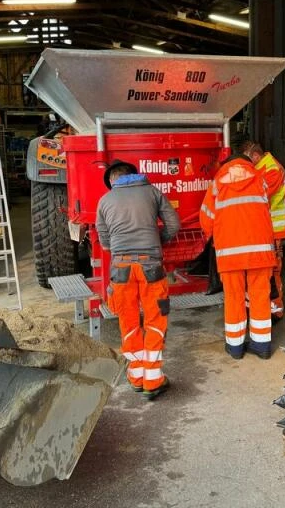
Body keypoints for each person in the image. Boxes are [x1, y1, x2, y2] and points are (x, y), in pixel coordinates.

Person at [96, 159, 181, 400]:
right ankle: (153, 380)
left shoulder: (105, 200)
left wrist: (122, 249)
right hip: (151, 264)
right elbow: (174, 225)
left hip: (121, 269)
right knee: (155, 318)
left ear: (113, 180)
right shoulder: (152, 192)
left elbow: (104, 242)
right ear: (132, 175)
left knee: (128, 321)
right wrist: (156, 241)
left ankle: (136, 377)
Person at [200, 154, 276, 360]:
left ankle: (235, 347)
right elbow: (265, 208)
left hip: (230, 254)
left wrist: (211, 236)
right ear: (247, 163)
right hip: (260, 252)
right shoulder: (259, 178)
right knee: (260, 296)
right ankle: (262, 346)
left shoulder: (217, 183)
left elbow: (206, 217)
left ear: (227, 165)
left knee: (234, 298)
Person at [239, 141, 285, 320]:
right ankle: (266, 306)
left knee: (273, 271)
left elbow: (258, 194)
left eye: (248, 159)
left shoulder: (271, 169)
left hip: (274, 229)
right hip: (267, 228)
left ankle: (275, 309)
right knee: (266, 270)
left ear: (255, 156)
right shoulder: (264, 168)